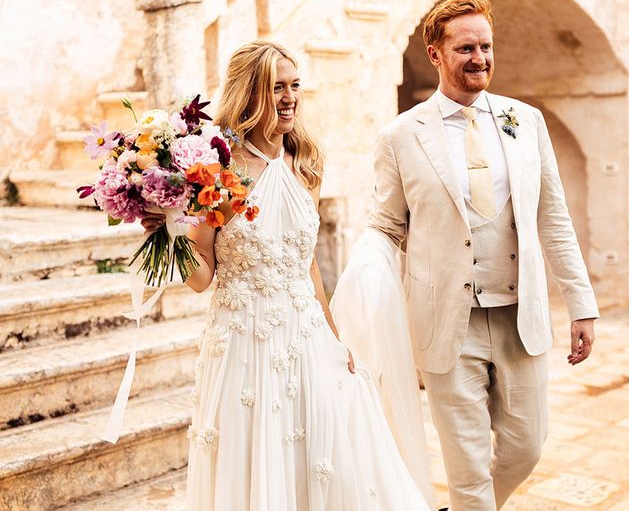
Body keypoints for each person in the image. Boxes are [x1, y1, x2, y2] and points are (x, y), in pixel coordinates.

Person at [143, 41, 431, 510]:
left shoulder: (307, 164)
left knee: (323, 462)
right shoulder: (216, 171)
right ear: (249, 94)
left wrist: (336, 339)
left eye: (295, 85)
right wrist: (174, 229)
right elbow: (201, 279)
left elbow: (308, 262)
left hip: (308, 339)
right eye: (276, 87)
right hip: (242, 346)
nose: (289, 97)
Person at [366, 0, 600, 511]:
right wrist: (370, 302)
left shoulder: (526, 122)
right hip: (447, 322)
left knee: (527, 448)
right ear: (435, 54)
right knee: (467, 466)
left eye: (486, 47)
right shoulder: (400, 137)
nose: (480, 58)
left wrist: (582, 305)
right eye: (466, 47)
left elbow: (554, 218)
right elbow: (386, 226)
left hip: (521, 316)